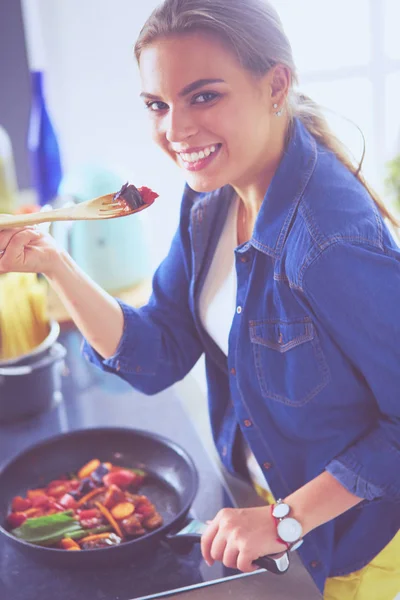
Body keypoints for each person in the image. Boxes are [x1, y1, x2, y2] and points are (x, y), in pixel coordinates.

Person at [1, 0, 399, 597]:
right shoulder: (211, 199)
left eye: (204, 96)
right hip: (263, 510)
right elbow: (157, 349)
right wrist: (51, 262)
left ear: (276, 84)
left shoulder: (328, 241)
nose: (176, 130)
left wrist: (283, 520)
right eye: (158, 104)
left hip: (350, 548)